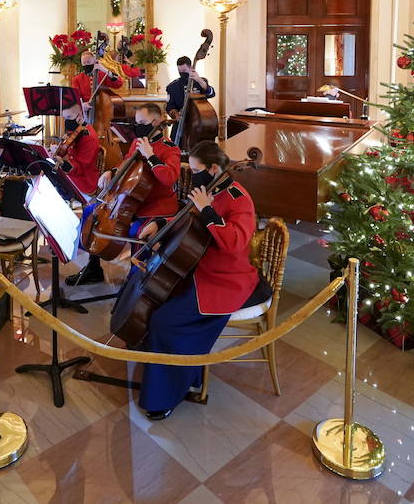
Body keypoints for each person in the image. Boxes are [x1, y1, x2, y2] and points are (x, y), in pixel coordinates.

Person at [134, 140, 269, 420]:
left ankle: (167, 394)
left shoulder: (238, 198)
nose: (193, 175)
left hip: (225, 280)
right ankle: (170, 367)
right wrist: (159, 224)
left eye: (197, 170)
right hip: (200, 267)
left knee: (165, 321)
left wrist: (208, 210)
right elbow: (186, 215)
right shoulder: (210, 189)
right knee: (158, 298)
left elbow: (234, 242)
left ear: (215, 168)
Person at [67, 102, 180, 286]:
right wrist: (111, 171)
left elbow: (169, 178)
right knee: (91, 212)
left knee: (138, 232)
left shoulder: (170, 148)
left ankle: (136, 279)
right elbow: (127, 163)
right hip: (130, 199)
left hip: (155, 205)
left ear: (157, 121)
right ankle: (93, 267)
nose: (139, 126)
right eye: (136, 122)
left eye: (143, 122)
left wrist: (151, 156)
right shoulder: (137, 142)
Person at [52, 101, 101, 199]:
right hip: (74, 176)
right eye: (65, 117)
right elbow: (68, 151)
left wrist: (63, 164)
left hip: (84, 181)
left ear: (80, 116)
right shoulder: (77, 129)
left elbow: (81, 168)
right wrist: (57, 151)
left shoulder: (89, 138)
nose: (66, 121)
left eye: (69, 117)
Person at [164, 56, 216, 148]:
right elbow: (169, 106)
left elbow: (211, 93)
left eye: (184, 71)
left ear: (191, 68)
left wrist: (198, 79)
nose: (182, 74)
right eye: (180, 72)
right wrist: (175, 114)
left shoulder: (201, 82)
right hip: (181, 124)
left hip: (199, 124)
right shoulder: (172, 87)